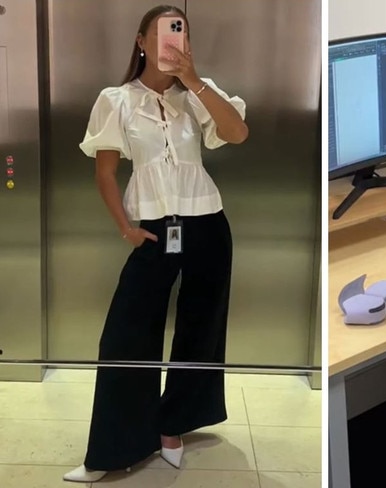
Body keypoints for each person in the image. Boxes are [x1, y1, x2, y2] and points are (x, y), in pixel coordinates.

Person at [64, 4, 248, 483]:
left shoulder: (198, 96)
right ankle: (111, 449)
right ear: (142, 41)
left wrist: (196, 81)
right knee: (127, 334)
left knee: (200, 329)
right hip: (153, 228)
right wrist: (125, 227)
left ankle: (174, 426)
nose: (174, 44)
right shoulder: (117, 99)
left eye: (181, 35)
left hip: (207, 224)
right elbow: (105, 172)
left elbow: (237, 133)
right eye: (165, 34)